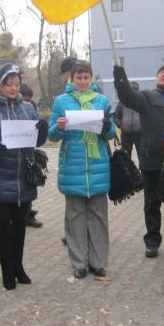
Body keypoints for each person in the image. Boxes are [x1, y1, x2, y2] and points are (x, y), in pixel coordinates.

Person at [0, 64, 48, 289]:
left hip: (23, 175)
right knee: (3, 222)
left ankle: (18, 266)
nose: (13, 88)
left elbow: (35, 142)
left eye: (16, 84)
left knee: (20, 223)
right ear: (0, 85)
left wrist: (42, 130)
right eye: (8, 84)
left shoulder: (27, 108)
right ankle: (6, 268)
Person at [113, 64, 164, 258]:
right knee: (151, 203)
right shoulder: (147, 97)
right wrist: (120, 78)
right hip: (151, 158)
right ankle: (152, 242)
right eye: (160, 72)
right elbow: (127, 97)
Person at [49, 60, 116, 278]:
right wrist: (58, 127)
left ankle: (98, 262)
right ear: (72, 78)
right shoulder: (61, 101)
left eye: (86, 77)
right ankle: (79, 263)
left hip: (98, 165)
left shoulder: (102, 101)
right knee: (75, 217)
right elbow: (51, 135)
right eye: (79, 77)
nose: (83, 81)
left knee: (98, 217)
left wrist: (107, 127)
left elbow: (110, 133)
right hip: (73, 165)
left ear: (92, 78)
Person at [19, 83, 43, 228]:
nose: (27, 103)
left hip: (28, 151)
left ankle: (27, 213)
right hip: (14, 152)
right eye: (25, 100)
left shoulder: (31, 106)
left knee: (29, 183)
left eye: (29, 100)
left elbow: (35, 125)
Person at [59, 56, 77, 246]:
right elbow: (54, 132)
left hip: (92, 156)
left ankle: (85, 231)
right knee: (72, 200)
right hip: (71, 155)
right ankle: (70, 232)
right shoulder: (63, 99)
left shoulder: (96, 95)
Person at [113, 81, 142, 159]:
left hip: (140, 134)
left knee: (142, 156)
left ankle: (143, 171)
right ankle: (127, 171)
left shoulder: (142, 101)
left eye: (135, 90)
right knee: (126, 156)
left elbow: (148, 115)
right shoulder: (122, 102)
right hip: (125, 134)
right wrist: (120, 124)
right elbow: (115, 116)